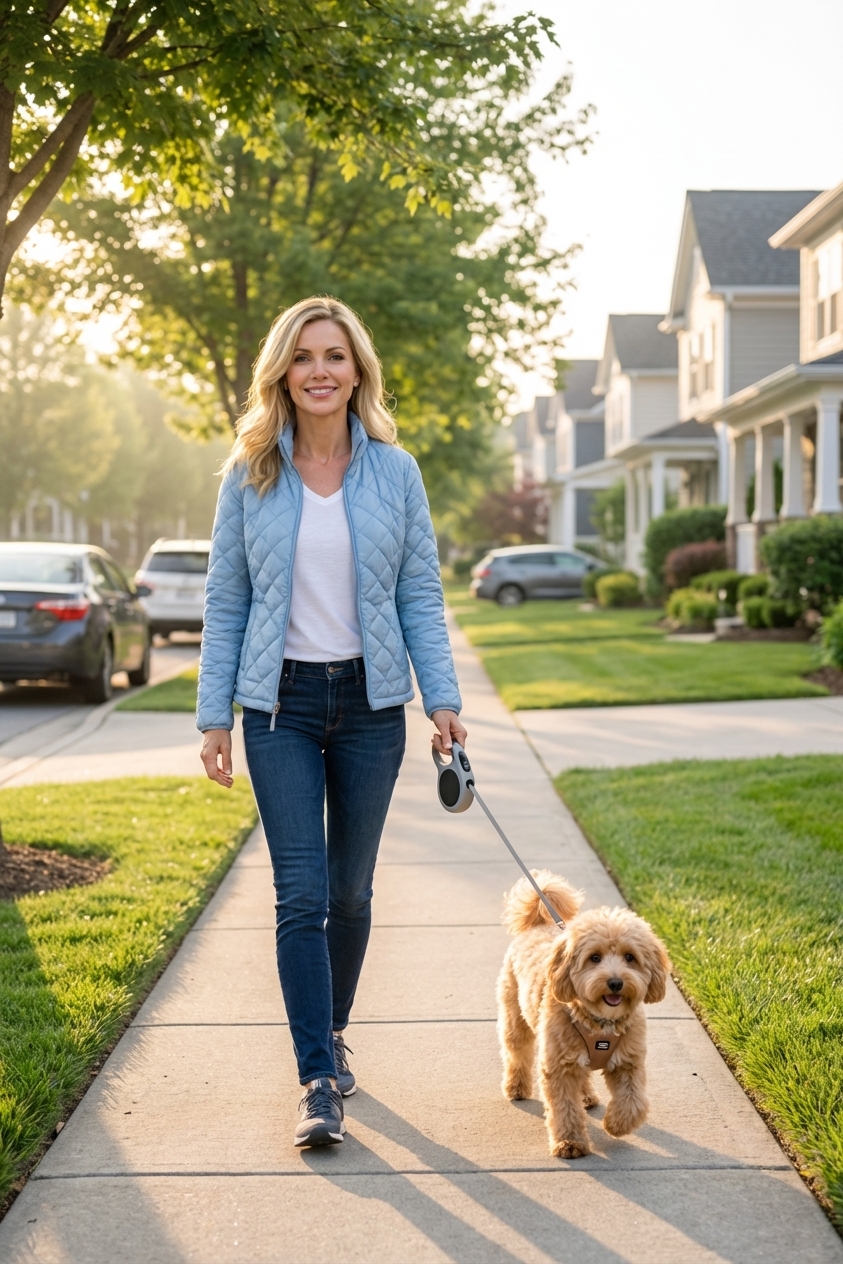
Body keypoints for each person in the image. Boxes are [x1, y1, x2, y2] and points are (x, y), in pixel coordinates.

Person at [196, 296, 466, 1148]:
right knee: (300, 894)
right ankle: (316, 1076)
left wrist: (442, 696)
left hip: (370, 707)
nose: (320, 370)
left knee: (349, 892)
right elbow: (226, 599)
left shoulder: (396, 471)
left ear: (358, 372)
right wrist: (215, 716)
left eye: (335, 356)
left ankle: (333, 1029)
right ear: (282, 369)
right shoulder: (250, 472)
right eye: (305, 355)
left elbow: (419, 590)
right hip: (278, 706)